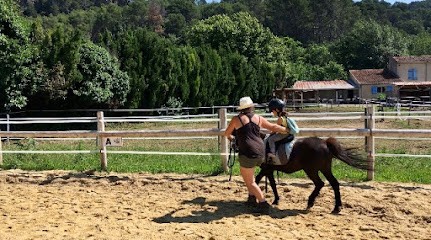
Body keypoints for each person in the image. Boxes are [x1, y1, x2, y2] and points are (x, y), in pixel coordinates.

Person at [224, 96, 288, 213]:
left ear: (241, 108)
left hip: (248, 152)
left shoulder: (236, 119)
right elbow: (272, 127)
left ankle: (263, 203)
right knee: (250, 176)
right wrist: (287, 130)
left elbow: (227, 133)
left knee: (250, 182)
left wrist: (232, 138)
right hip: (261, 151)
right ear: (251, 107)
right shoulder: (258, 118)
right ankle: (251, 199)